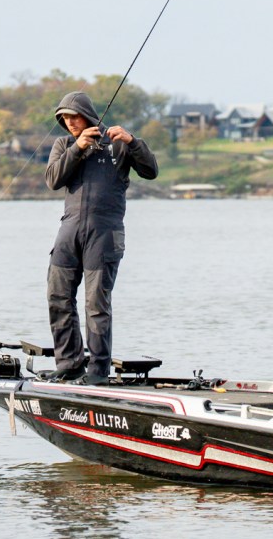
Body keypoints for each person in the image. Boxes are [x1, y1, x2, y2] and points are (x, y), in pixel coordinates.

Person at [43, 91, 158, 385]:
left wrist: (133, 142)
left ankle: (97, 371)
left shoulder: (118, 144)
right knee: (58, 297)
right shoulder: (64, 145)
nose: (69, 123)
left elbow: (151, 171)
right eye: (64, 118)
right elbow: (53, 179)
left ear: (87, 115)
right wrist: (78, 148)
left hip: (104, 235)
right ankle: (69, 364)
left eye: (74, 117)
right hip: (69, 233)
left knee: (96, 304)